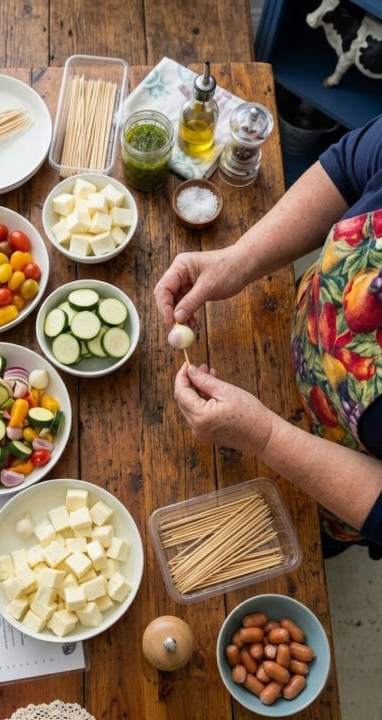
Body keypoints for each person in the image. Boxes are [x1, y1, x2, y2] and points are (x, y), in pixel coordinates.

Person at [154, 114, 382, 558]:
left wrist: (266, 439)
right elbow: (351, 166)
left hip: (333, 484)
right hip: (282, 352)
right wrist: (239, 259)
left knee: (298, 538)